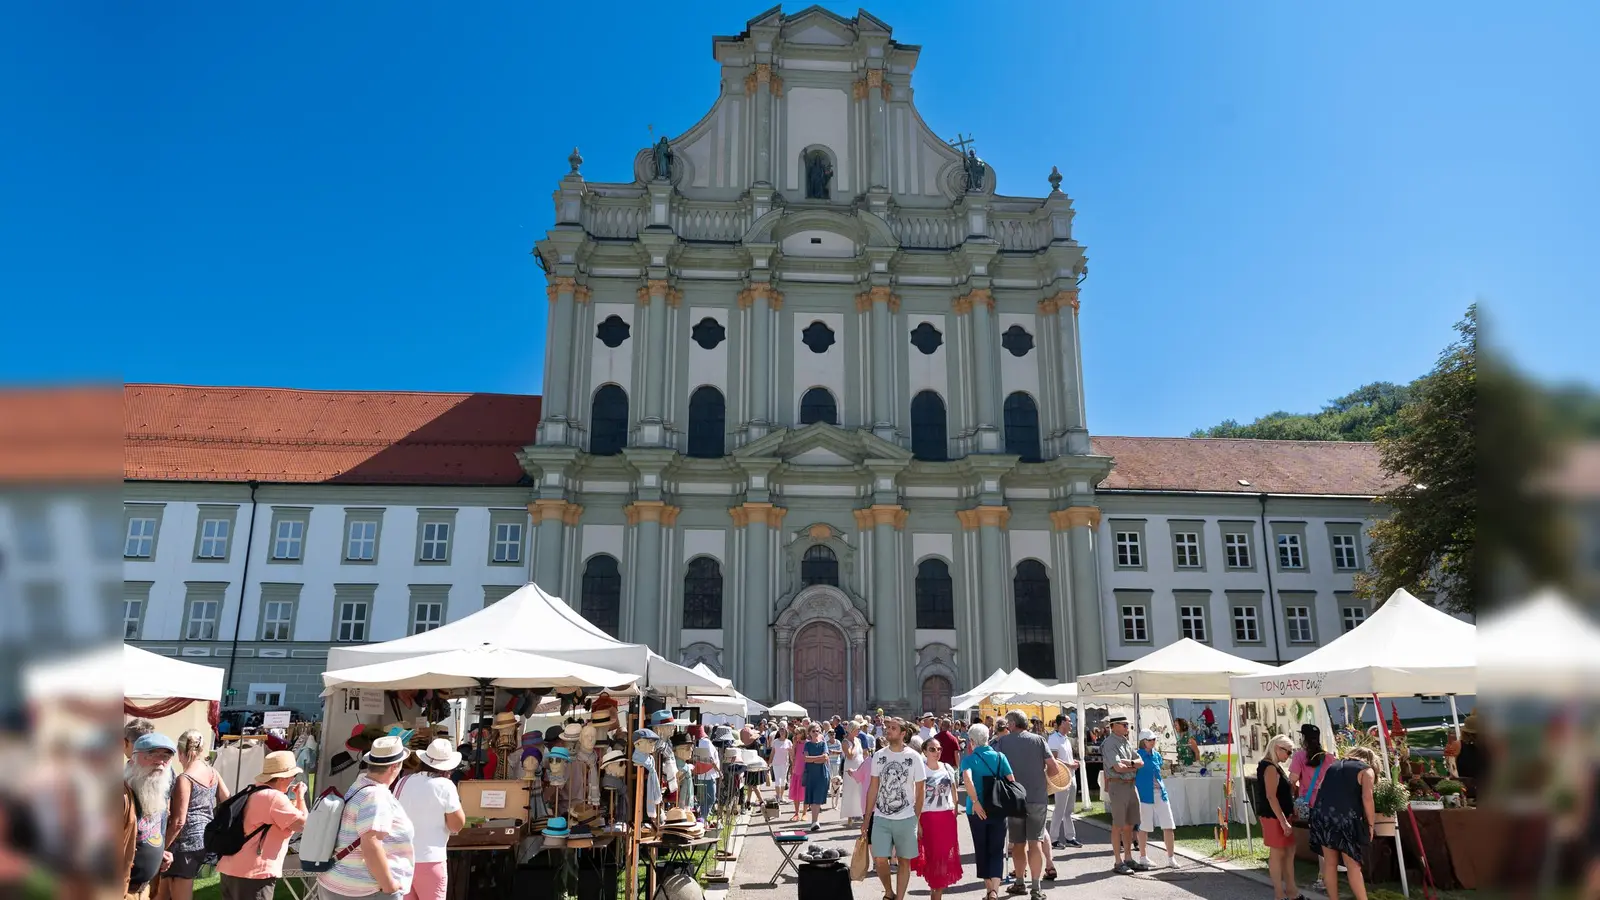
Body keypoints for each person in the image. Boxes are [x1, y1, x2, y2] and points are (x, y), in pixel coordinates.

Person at [318, 735, 416, 900]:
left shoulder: (359, 786)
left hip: (340, 880)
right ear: (395, 766)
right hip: (363, 888)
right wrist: (389, 885)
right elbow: (371, 843)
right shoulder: (376, 795)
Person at [215, 750, 308, 900]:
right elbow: (303, 825)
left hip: (230, 869)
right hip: (253, 875)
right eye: (293, 775)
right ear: (283, 777)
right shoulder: (274, 798)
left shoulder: (252, 790)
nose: (293, 779)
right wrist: (300, 797)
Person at [161, 730, 229, 900]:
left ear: (181, 752)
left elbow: (179, 821)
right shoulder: (213, 772)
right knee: (163, 890)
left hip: (185, 843)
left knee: (179, 891)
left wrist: (161, 847)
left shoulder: (185, 779)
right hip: (205, 838)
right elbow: (227, 798)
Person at [862, 718, 926, 900]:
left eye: (893, 728)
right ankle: (889, 892)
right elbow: (873, 787)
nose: (888, 730)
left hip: (906, 818)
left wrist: (916, 818)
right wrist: (867, 819)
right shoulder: (879, 755)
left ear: (903, 733)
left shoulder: (914, 757)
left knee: (904, 861)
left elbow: (921, 790)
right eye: (887, 727)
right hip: (881, 817)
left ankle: (899, 898)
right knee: (880, 859)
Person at [394, 740, 465, 900]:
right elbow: (456, 825)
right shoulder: (445, 785)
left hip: (401, 859)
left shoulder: (402, 782)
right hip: (430, 860)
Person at [994, 710, 1055, 898]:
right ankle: (1036, 887)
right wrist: (1041, 779)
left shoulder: (1002, 742)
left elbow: (996, 770)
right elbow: (1053, 768)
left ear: (1012, 724)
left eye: (1008, 723)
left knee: (1018, 843)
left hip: (1014, 800)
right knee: (1035, 842)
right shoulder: (1039, 740)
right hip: (1037, 797)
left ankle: (1020, 882)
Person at [1309, 746, 1378, 900]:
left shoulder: (1332, 767)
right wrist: (1371, 825)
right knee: (1353, 865)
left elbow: (1320, 789)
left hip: (1323, 816)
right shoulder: (1366, 770)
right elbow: (1367, 798)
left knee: (1330, 863)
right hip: (1346, 820)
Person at [960, 723, 1014, 900]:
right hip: (998, 808)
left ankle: (989, 889)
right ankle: (995, 890)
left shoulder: (969, 760)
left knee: (981, 848)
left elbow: (967, 779)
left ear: (972, 740)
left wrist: (975, 801)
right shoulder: (1000, 757)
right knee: (997, 849)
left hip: (976, 810)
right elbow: (1011, 780)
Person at [124, 732, 177, 900]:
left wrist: (159, 853)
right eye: (152, 754)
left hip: (144, 890)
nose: (160, 761)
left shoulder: (157, 792)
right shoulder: (120, 797)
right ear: (133, 759)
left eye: (166, 756)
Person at [911, 738, 961, 900]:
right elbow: (915, 798)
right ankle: (935, 891)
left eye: (939, 749)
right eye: (932, 749)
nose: (937, 752)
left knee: (943, 858)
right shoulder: (920, 770)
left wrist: (954, 814)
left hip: (946, 818)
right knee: (932, 859)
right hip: (928, 819)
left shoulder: (947, 768)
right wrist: (918, 823)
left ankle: (937, 892)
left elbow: (954, 794)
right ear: (925, 751)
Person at [1256, 735, 1302, 900]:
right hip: (1273, 817)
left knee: (1289, 851)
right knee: (1277, 853)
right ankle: (1279, 894)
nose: (1289, 756)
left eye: (1290, 752)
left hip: (1281, 815)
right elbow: (1271, 796)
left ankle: (1291, 891)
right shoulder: (1269, 767)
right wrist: (1283, 822)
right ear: (1277, 748)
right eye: (1287, 752)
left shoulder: (1275, 766)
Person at [1101, 715, 1145, 874]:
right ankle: (1118, 861)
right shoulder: (1109, 743)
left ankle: (1128, 858)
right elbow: (1118, 768)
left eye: (1128, 725)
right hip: (1118, 785)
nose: (1127, 727)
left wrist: (1130, 763)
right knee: (1118, 824)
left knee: (1130, 824)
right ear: (1113, 726)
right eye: (1124, 724)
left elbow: (1141, 762)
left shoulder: (1125, 741)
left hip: (1131, 785)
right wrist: (1134, 766)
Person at [1133, 729, 1177, 868]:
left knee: (1168, 825)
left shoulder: (1156, 755)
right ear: (1143, 741)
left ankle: (1171, 858)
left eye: (1154, 739)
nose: (1153, 741)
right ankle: (1143, 857)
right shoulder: (1136, 755)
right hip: (1144, 795)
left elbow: (1159, 771)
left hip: (1160, 793)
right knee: (1144, 826)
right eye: (1150, 740)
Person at [1045, 715, 1082, 849]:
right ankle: (1053, 839)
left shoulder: (1066, 739)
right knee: (1059, 809)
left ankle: (1070, 837)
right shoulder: (1053, 739)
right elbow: (1053, 759)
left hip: (1071, 776)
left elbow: (1064, 758)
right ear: (1061, 723)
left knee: (1068, 810)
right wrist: (1070, 765)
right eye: (1069, 721)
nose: (1071, 723)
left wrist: (1072, 763)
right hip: (1061, 778)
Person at [797, 724, 830, 831]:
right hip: (810, 774)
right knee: (812, 797)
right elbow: (806, 759)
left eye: (817, 731)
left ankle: (815, 821)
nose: (816, 733)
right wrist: (818, 758)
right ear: (809, 733)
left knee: (818, 797)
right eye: (813, 731)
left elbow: (825, 758)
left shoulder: (823, 744)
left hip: (821, 774)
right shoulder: (807, 744)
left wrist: (813, 759)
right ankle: (814, 821)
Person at [841, 721, 866, 825]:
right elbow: (850, 755)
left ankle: (861, 813)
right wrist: (854, 745)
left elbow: (862, 753)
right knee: (850, 791)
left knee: (860, 791)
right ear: (852, 730)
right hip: (850, 767)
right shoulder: (845, 742)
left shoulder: (858, 740)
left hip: (860, 767)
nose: (859, 731)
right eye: (857, 729)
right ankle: (850, 816)